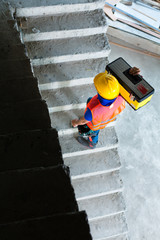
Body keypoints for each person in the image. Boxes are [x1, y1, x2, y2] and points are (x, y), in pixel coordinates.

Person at [71, 67, 140, 149]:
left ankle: (92, 143)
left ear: (100, 92)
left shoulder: (92, 111)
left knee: (95, 131)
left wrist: (76, 123)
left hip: (96, 123)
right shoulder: (121, 96)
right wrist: (132, 75)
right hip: (107, 115)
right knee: (90, 99)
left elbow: (84, 120)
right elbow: (131, 91)